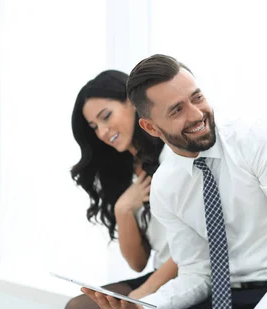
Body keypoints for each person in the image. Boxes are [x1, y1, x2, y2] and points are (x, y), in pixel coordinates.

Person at [83, 55, 267, 309]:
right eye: (177, 110)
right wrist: (146, 305)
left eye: (197, 98)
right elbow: (197, 273)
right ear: (151, 127)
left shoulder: (256, 142)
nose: (196, 115)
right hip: (221, 294)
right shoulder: (166, 185)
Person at [68, 70, 177, 309]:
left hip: (189, 272)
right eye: (94, 126)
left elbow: (198, 249)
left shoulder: (173, 155)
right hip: (160, 274)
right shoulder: (124, 173)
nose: (103, 132)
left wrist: (142, 294)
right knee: (79, 306)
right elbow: (138, 263)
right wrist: (123, 209)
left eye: (106, 116)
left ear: (132, 102)